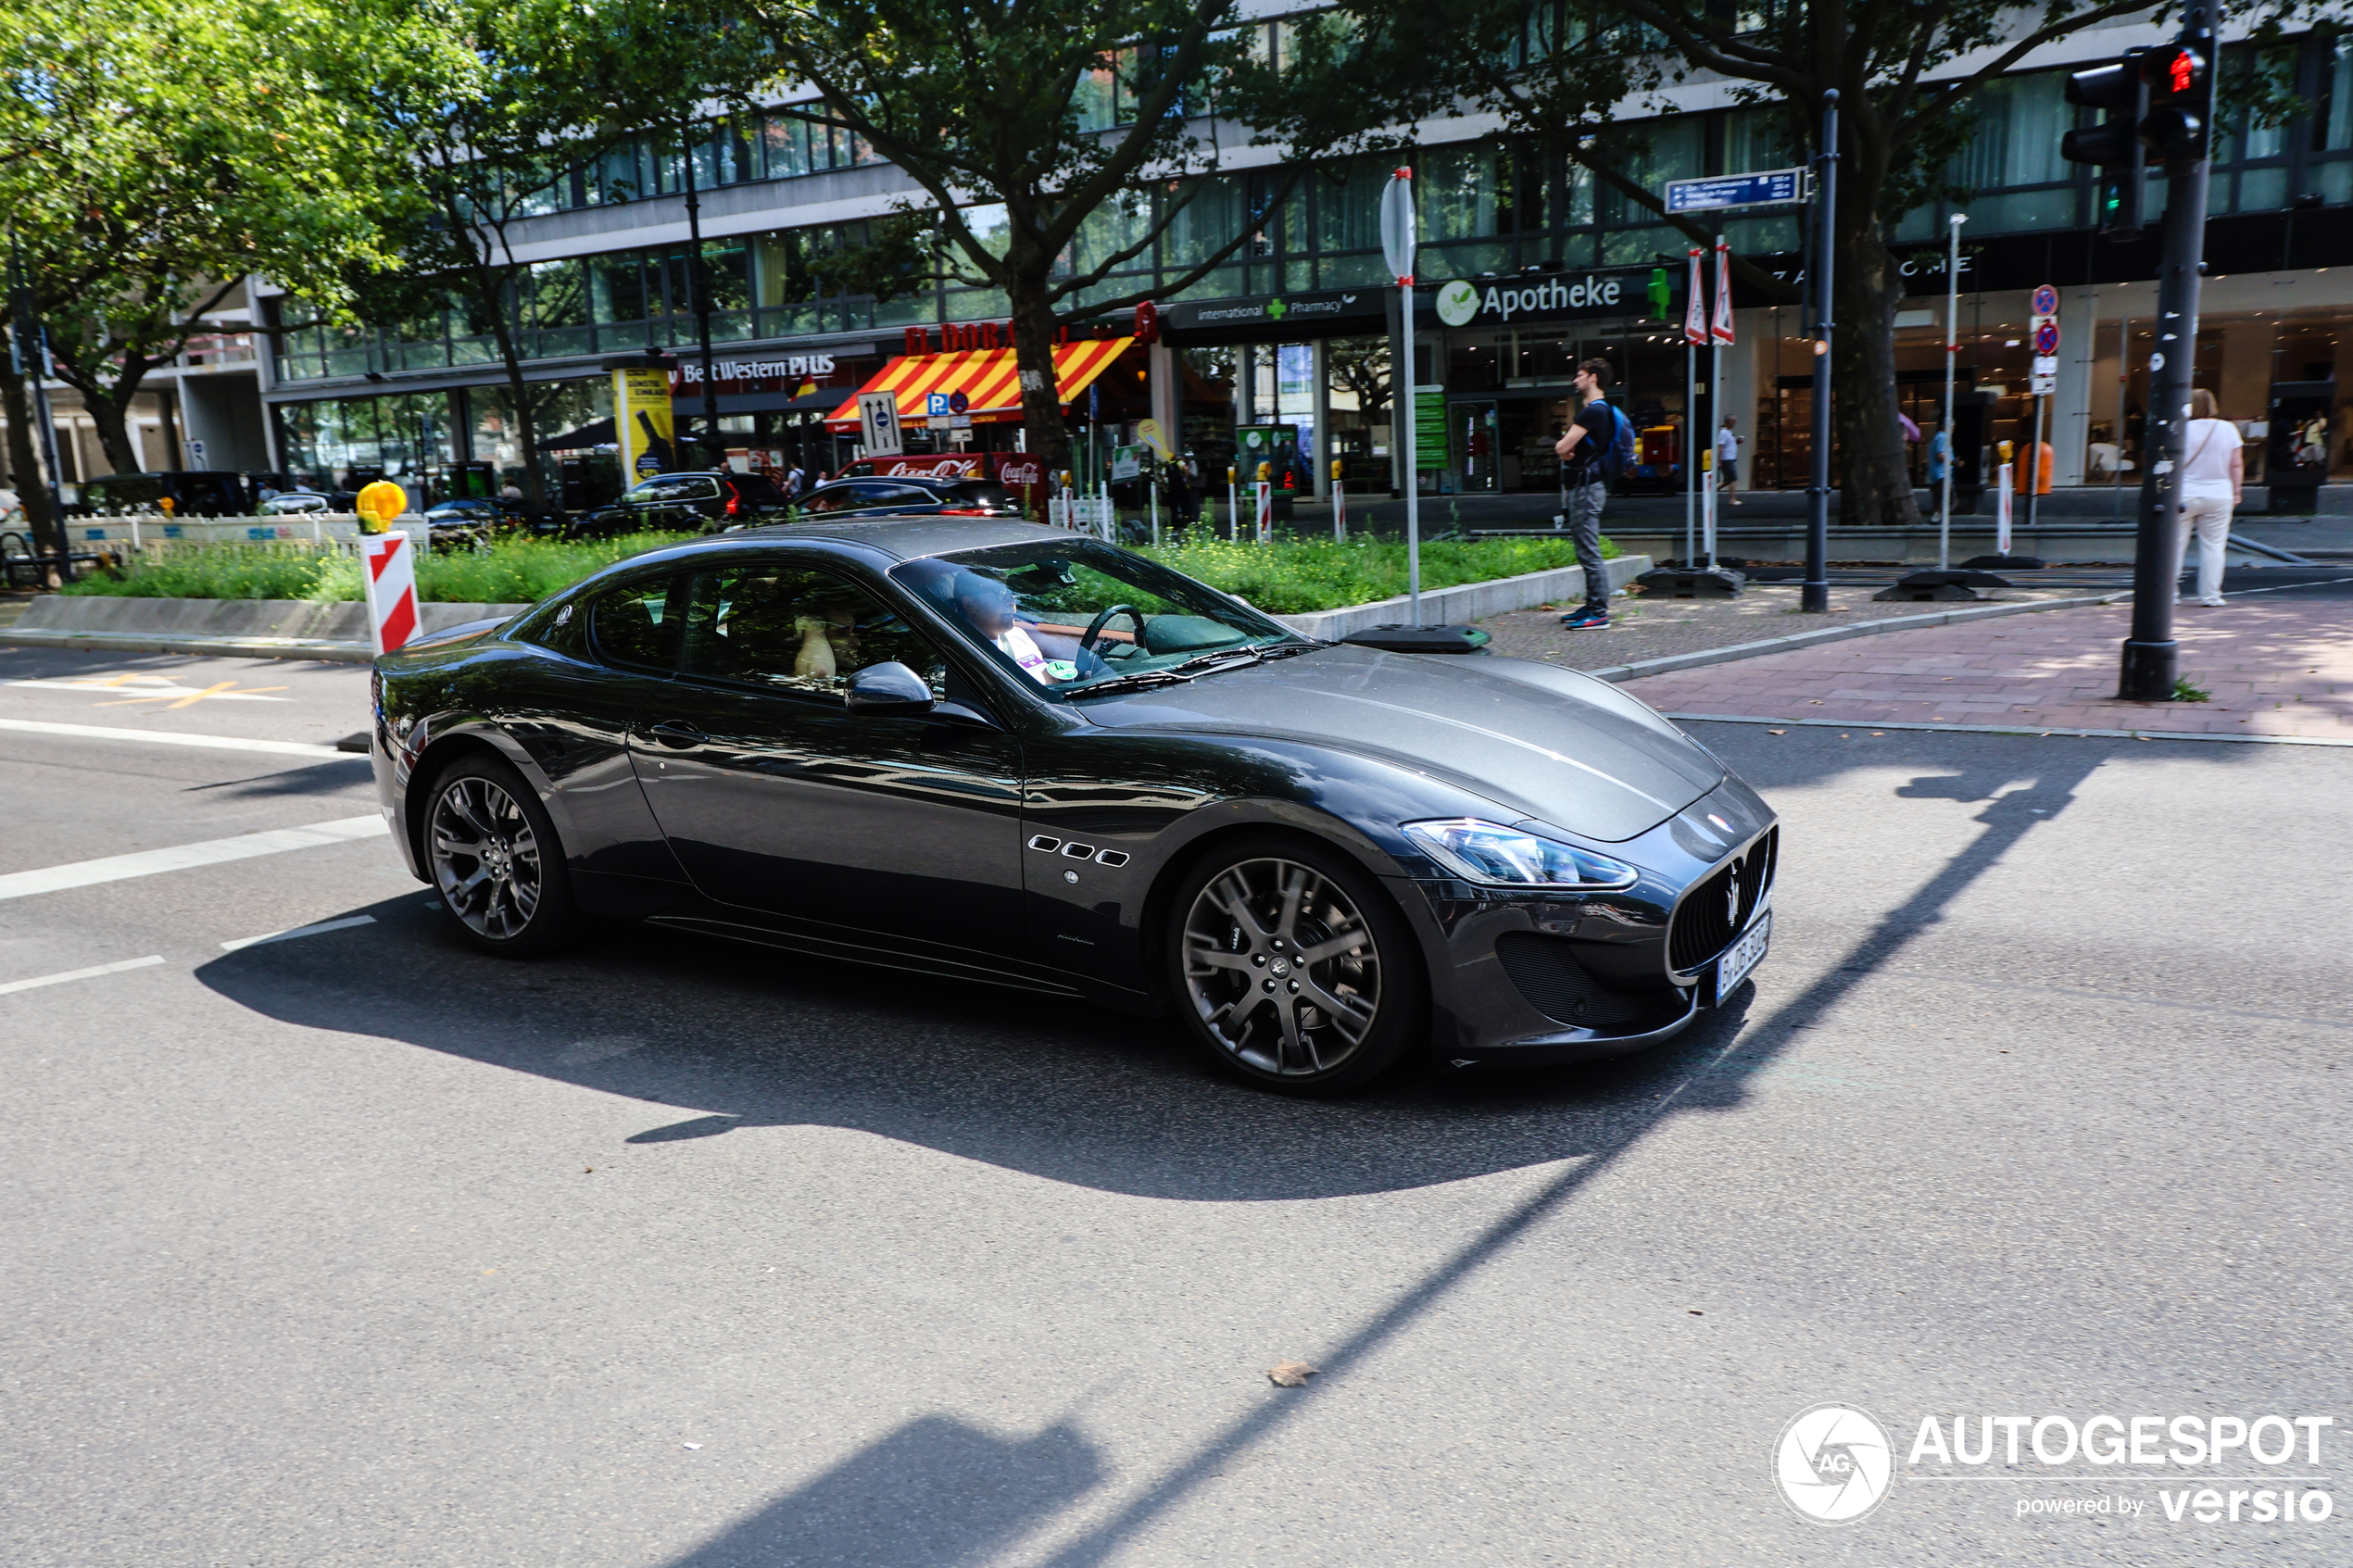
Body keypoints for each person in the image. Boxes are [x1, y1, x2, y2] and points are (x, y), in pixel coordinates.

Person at [1553, 358, 1620, 629]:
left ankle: (1599, 612)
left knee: (1589, 552)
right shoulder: (1603, 411)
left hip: (1586, 489)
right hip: (1588, 486)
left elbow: (1562, 448)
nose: (1575, 380)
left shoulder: (1592, 412)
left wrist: (1564, 448)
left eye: (1579, 375)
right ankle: (1592, 604)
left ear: (1593, 378)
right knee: (1585, 551)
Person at [2173, 387, 2241, 608]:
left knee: (2175, 545)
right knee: (2214, 546)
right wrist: (2237, 491)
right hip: (2219, 494)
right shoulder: (2228, 429)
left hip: (2184, 493)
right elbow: (2236, 464)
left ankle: (2169, 593)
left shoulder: (2181, 428)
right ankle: (2211, 595)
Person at [1715, 416, 1743, 507]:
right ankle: (1732, 499)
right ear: (1727, 422)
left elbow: (1728, 445)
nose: (1734, 422)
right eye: (1733, 421)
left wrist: (1737, 442)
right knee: (1733, 479)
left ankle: (1709, 491)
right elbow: (1720, 446)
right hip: (1727, 459)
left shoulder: (1728, 432)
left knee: (1727, 480)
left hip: (1729, 458)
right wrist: (1719, 461)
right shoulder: (1724, 432)